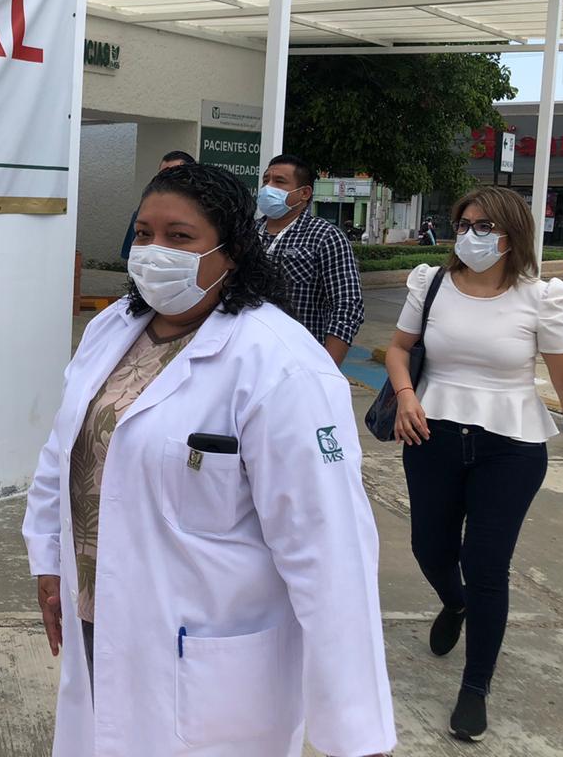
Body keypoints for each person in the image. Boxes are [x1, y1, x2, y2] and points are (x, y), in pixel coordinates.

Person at [23, 163, 396, 757]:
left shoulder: (280, 362)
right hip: (97, 616)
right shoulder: (112, 328)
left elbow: (328, 547)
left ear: (233, 252)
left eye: (180, 237)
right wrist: (49, 560)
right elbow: (63, 450)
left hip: (204, 653)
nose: (155, 251)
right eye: (144, 233)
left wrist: (356, 729)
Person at [385, 186, 563, 743]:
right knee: (429, 548)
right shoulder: (432, 283)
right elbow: (398, 347)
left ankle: (474, 686)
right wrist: (406, 394)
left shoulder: (540, 298)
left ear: (511, 233)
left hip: (510, 447)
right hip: (430, 434)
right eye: (464, 224)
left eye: (483, 226)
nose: (470, 235)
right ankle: (454, 603)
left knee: (486, 565)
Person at [256, 154, 364, 365]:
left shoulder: (325, 236)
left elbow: (347, 306)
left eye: (279, 181)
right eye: (266, 180)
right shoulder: (247, 233)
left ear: (304, 193)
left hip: (297, 362)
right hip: (247, 357)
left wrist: (326, 369)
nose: (268, 188)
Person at [119, 150, 195, 260]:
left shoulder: (206, 213)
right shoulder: (143, 213)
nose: (168, 181)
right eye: (163, 175)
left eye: (176, 174)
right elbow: (130, 254)